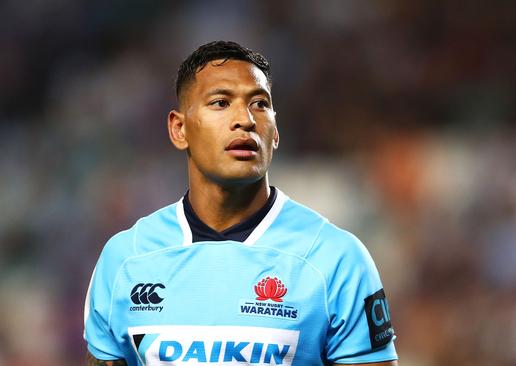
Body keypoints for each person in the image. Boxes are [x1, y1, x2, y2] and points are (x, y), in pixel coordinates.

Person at [83, 40, 398, 366]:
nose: (245, 119)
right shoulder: (126, 259)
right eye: (220, 103)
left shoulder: (337, 259)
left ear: (275, 132)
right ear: (179, 129)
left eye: (260, 104)